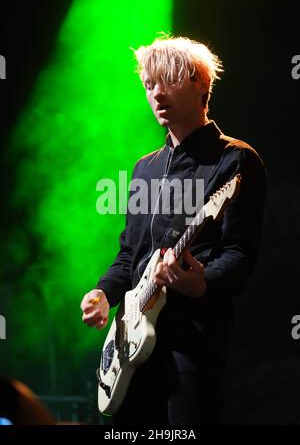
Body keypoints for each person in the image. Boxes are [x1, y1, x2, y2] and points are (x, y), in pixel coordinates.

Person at [80, 35, 267, 425]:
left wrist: (203, 283)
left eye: (168, 80)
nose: (156, 93)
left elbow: (239, 252)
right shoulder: (143, 168)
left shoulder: (235, 160)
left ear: (201, 84)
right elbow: (129, 255)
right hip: (132, 343)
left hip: (193, 340)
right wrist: (104, 292)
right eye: (149, 85)